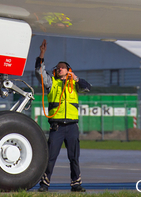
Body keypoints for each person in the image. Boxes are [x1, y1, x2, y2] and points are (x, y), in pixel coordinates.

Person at [36, 38, 90, 192]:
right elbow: (39, 73)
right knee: (50, 157)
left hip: (72, 126)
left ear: (69, 71)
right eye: (58, 68)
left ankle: (76, 184)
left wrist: (77, 79)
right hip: (57, 126)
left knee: (74, 157)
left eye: (63, 67)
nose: (60, 69)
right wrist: (42, 54)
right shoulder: (51, 83)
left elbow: (87, 87)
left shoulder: (75, 84)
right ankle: (44, 184)